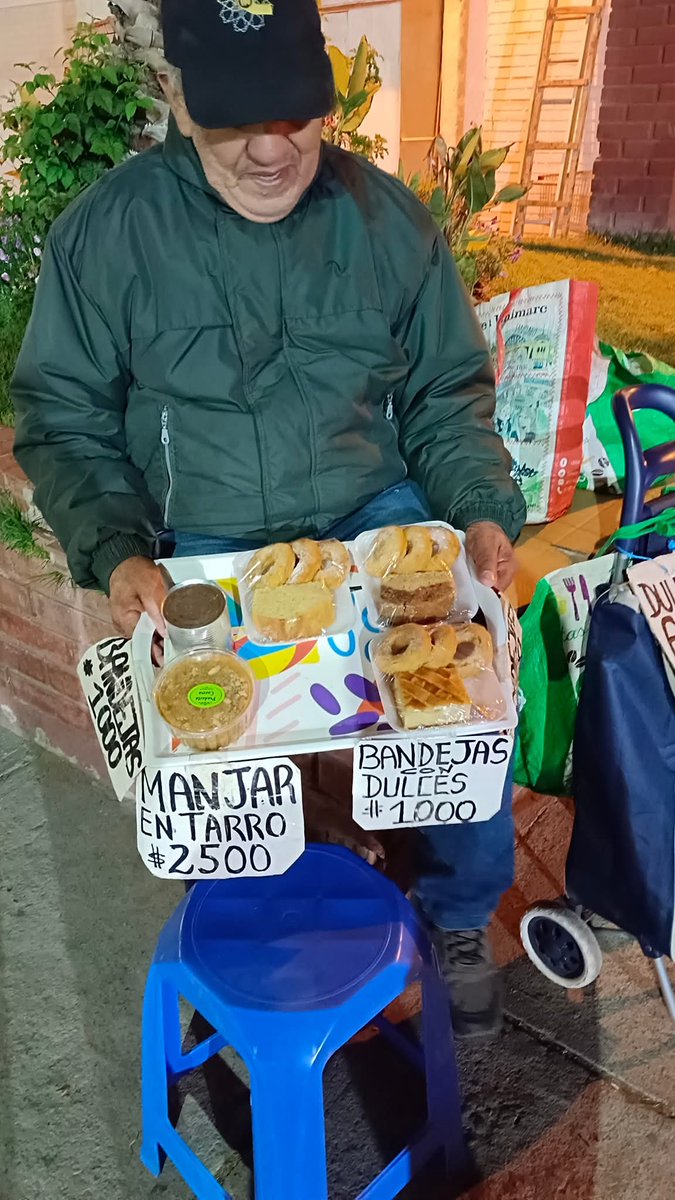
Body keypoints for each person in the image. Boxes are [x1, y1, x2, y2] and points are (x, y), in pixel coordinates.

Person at [12, 0, 526, 1037]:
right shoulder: (106, 237)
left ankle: (458, 911)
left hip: (369, 514)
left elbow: (444, 395)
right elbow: (61, 420)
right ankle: (238, 913)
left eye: (294, 113)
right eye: (236, 118)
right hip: (204, 529)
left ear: (323, 96)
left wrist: (475, 510)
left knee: (465, 694)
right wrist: (115, 550)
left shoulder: (390, 222)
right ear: (177, 98)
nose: (270, 147)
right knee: (211, 738)